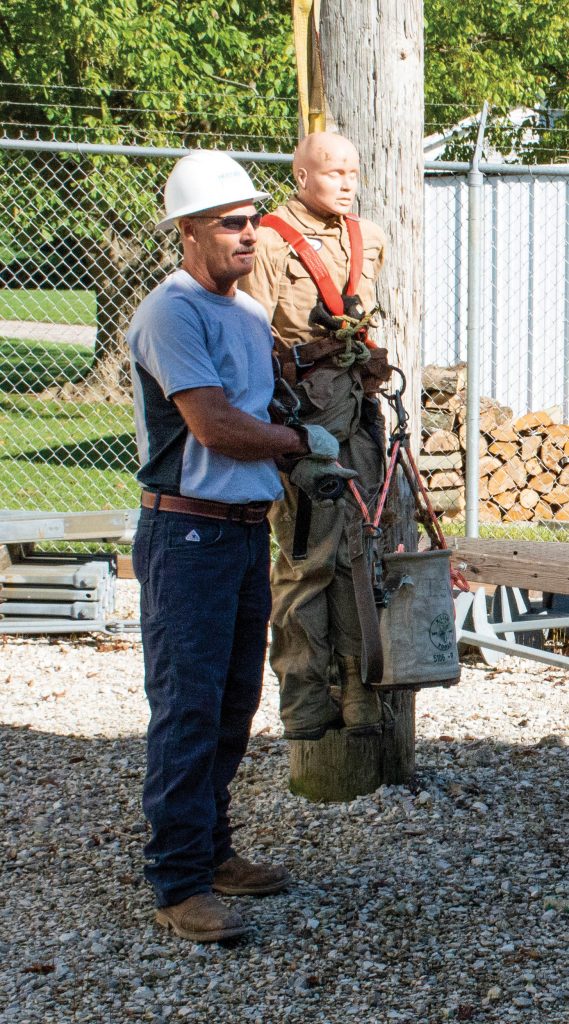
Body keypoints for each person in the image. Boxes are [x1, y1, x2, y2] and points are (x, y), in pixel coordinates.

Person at [127, 150, 349, 942]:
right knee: (186, 708)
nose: (250, 233)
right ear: (188, 232)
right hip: (186, 529)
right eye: (230, 222)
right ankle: (179, 882)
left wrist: (304, 405)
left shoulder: (249, 316)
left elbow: (258, 401)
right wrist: (300, 440)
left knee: (228, 704)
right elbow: (214, 425)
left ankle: (211, 852)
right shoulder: (170, 313)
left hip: (239, 531)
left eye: (253, 217)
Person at [240, 132, 390, 740]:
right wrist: (282, 432)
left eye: (354, 171)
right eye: (333, 172)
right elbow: (252, 340)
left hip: (359, 416)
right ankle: (304, 697)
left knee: (361, 553)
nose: (348, 182)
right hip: (304, 424)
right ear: (301, 176)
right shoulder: (270, 242)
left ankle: (359, 686)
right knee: (306, 558)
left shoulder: (369, 239)